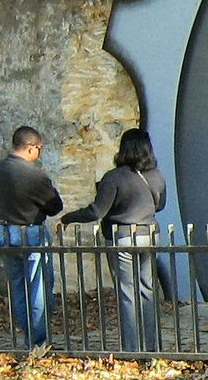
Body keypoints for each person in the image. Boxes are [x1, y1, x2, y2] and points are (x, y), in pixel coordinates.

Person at [61, 128, 167, 352]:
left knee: (128, 293)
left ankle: (132, 349)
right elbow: (161, 205)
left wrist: (69, 218)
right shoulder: (156, 175)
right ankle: (151, 347)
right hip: (148, 235)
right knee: (148, 291)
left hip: (123, 238)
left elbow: (97, 211)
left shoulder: (114, 178)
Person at [0, 126, 65, 348]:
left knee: (19, 288)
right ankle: (38, 341)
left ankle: (29, 337)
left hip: (4, 231)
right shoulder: (34, 175)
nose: (39, 153)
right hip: (30, 233)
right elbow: (55, 206)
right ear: (31, 148)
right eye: (39, 149)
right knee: (38, 288)